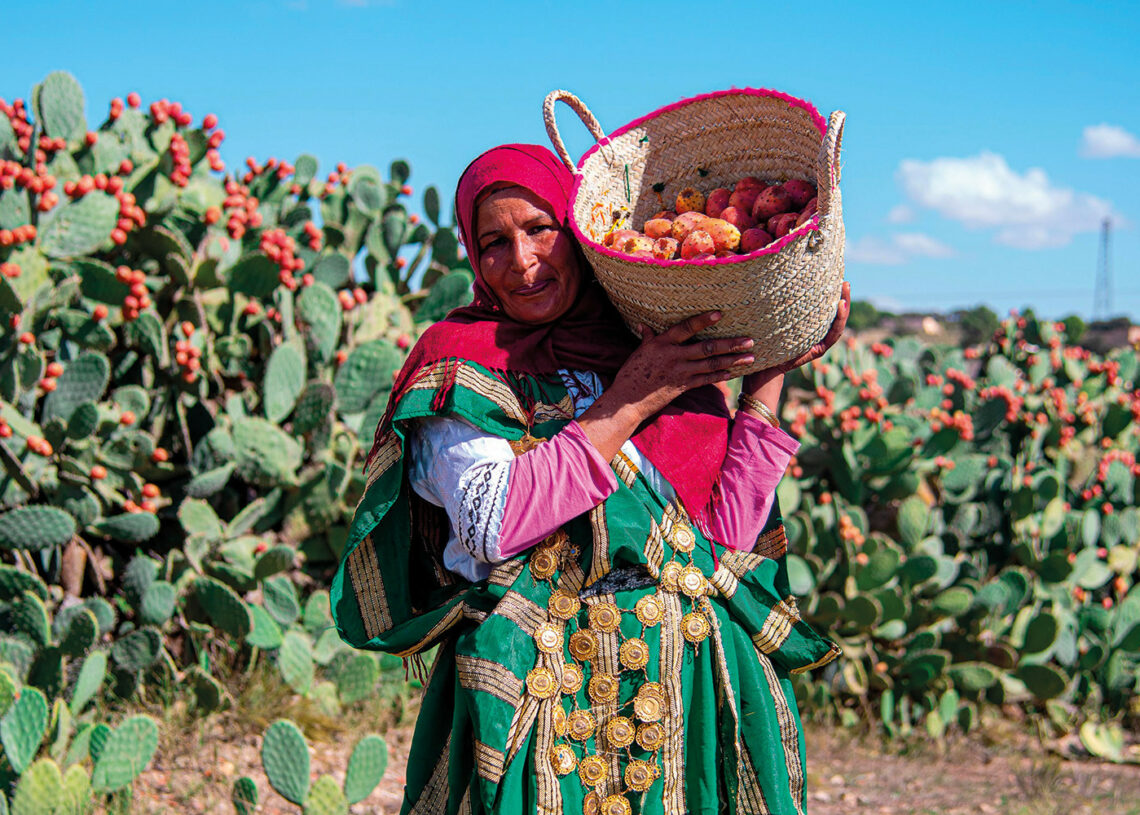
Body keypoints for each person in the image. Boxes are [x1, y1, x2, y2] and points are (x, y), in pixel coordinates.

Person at [332, 144, 850, 815]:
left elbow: (723, 540)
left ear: (578, 233)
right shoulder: (462, 365)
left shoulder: (650, 346)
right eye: (493, 241)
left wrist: (772, 363)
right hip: (543, 686)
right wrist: (632, 400)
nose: (521, 261)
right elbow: (497, 522)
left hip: (682, 681)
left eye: (540, 230)